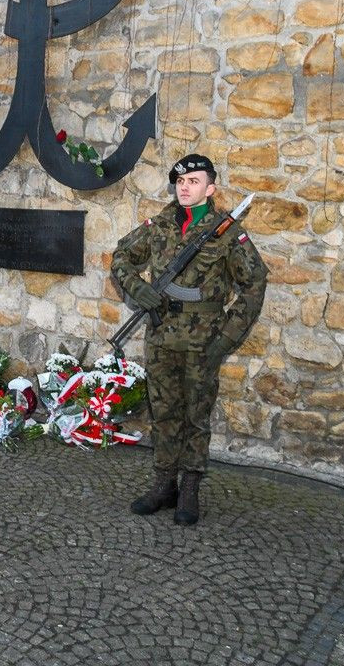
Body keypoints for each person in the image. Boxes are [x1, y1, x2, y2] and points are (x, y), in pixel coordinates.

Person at [111, 153, 267, 526]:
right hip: (162, 335)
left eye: (194, 181)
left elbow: (255, 282)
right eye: (180, 181)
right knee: (163, 412)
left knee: (196, 414)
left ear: (210, 188)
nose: (185, 186)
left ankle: (191, 487)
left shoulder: (227, 232)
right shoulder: (160, 224)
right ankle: (164, 484)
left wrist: (226, 339)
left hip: (204, 341)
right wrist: (136, 287)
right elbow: (121, 257)